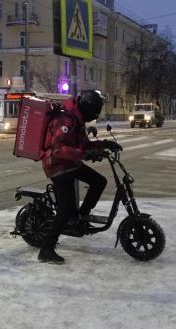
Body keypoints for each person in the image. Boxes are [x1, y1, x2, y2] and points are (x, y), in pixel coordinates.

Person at [38, 90, 122, 264]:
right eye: (95, 110)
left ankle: (81, 216)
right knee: (65, 208)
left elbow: (83, 145)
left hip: (70, 164)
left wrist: (103, 145)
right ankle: (46, 249)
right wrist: (85, 155)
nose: (96, 115)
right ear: (87, 107)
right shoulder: (65, 121)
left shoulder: (77, 119)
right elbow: (59, 150)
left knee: (99, 181)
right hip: (57, 166)